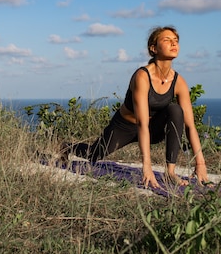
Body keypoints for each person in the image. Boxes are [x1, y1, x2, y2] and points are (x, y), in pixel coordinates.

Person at [65, 26, 209, 189]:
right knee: (94, 154)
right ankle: (68, 147)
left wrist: (200, 163)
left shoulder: (179, 81)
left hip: (153, 129)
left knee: (175, 110)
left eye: (175, 41)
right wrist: (146, 167)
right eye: (167, 40)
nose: (173, 43)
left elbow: (190, 126)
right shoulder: (142, 76)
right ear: (153, 48)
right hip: (124, 127)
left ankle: (170, 172)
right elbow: (141, 123)